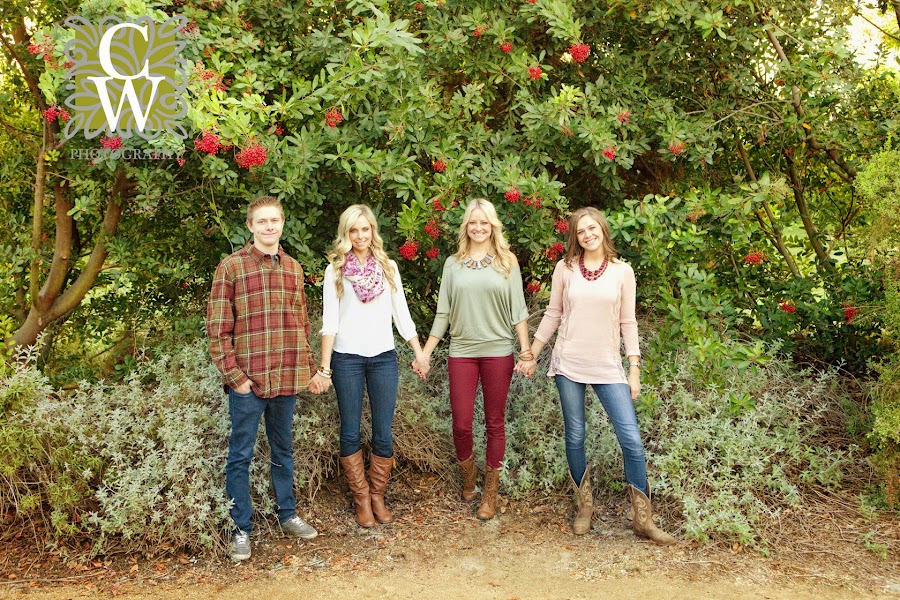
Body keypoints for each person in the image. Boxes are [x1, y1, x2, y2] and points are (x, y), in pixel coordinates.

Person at [517, 207, 675, 545]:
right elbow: (554, 314)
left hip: (607, 365)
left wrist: (634, 368)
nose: (588, 235)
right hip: (568, 362)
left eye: (592, 228)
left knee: (630, 438)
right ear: (574, 236)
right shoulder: (565, 268)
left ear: (602, 229)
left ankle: (643, 520)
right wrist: (531, 352)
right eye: (581, 231)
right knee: (575, 435)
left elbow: (628, 322)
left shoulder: (622, 272)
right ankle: (584, 507)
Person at [207, 195, 320, 562]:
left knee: (283, 451)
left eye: (275, 221)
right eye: (263, 221)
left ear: (282, 223)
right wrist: (235, 377)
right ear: (251, 226)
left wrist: (311, 367)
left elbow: (301, 324)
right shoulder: (231, 268)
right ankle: (240, 529)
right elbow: (218, 329)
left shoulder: (293, 268)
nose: (270, 227)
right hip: (249, 381)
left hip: (285, 377)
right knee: (240, 455)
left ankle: (287, 515)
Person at [308, 205, 426, 528]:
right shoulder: (335, 272)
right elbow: (329, 322)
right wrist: (324, 368)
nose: (360, 236)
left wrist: (419, 352)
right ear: (346, 234)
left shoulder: (388, 268)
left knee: (383, 433)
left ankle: (377, 495)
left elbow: (402, 314)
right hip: (346, 360)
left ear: (373, 230)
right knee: (350, 430)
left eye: (365, 229)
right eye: (353, 230)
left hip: (384, 358)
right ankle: (361, 499)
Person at [417, 198, 531, 521]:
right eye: (473, 222)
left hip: (498, 351)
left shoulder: (507, 262)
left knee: (495, 422)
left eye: (484, 222)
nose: (478, 227)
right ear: (466, 226)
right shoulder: (453, 265)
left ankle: (490, 493)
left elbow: (519, 311)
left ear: (492, 225)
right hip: (462, 352)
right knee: (462, 423)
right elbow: (443, 312)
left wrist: (525, 350)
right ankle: (469, 478)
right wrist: (426, 351)